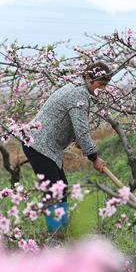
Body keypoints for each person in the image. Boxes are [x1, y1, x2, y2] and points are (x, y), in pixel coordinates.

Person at [22, 62, 111, 233]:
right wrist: (94, 157)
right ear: (88, 78)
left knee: (60, 186)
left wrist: (78, 140)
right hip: (38, 144)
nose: (102, 89)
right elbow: (81, 129)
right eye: (100, 84)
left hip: (46, 145)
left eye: (105, 85)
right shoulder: (78, 94)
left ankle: (61, 229)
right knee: (54, 188)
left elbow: (73, 125)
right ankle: (55, 233)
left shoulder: (77, 87)